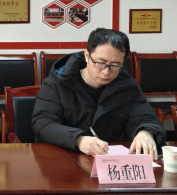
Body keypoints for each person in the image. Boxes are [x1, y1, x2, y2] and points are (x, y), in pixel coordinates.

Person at [32, 28, 165, 160]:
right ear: (87, 56)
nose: (106, 72)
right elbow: (43, 123)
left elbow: (145, 117)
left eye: (115, 65)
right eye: (100, 63)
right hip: (62, 159)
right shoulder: (56, 84)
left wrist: (145, 132)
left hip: (110, 161)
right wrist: (78, 140)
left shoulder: (127, 86)